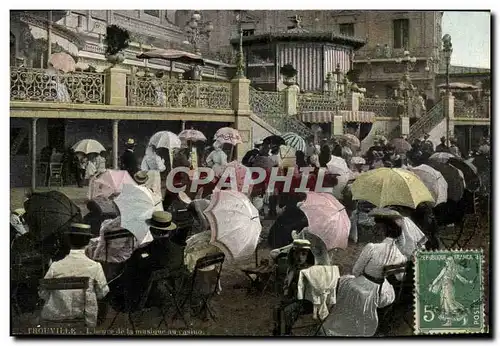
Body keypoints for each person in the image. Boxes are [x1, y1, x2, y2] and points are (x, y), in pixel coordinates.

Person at [322, 210, 407, 336]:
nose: (375, 231)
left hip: (365, 287)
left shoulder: (372, 247)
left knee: (345, 282)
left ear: (384, 231)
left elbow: (356, 271)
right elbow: (400, 278)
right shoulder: (399, 256)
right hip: (381, 291)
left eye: (377, 228)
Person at [39, 223, 109, 327]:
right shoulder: (95, 267)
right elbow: (102, 293)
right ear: (88, 243)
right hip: (84, 319)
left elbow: (43, 293)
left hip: (54, 318)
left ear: (69, 242)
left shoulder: (55, 266)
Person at [428, 256, 472, 326]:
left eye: (448, 261)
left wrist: (467, 281)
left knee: (450, 303)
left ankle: (463, 314)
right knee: (445, 304)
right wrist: (432, 285)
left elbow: (460, 277)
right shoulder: (446, 269)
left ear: (451, 262)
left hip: (449, 287)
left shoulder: (452, 270)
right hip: (444, 287)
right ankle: (449, 322)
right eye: (446, 261)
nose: (446, 262)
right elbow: (438, 277)